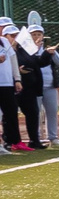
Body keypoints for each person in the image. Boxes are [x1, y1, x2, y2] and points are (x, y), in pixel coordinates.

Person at [18, 27, 59, 147]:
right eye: (34, 34)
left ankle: (53, 137)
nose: (36, 37)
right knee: (35, 113)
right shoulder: (25, 50)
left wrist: (53, 53)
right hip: (35, 86)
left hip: (50, 85)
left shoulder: (47, 49)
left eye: (39, 34)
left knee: (52, 111)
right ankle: (36, 137)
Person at [0, 18, 20, 152]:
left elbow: (13, 60)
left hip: (7, 83)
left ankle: (10, 142)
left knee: (11, 113)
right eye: (4, 26)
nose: (6, 28)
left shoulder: (5, 42)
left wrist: (17, 79)